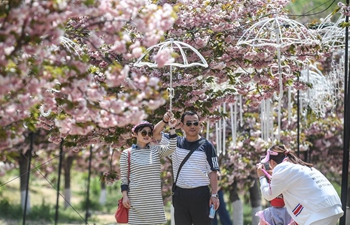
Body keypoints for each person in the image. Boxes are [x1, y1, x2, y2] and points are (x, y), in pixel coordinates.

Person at [154, 110, 220, 225]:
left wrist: (214, 194)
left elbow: (213, 172)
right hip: (180, 195)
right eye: (188, 123)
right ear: (182, 126)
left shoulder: (207, 145)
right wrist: (165, 120)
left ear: (200, 125)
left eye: (195, 123)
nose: (192, 126)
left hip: (201, 194)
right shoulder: (175, 142)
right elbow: (155, 134)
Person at [256, 144, 344, 225]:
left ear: (272, 162)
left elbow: (268, 195)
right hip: (333, 207)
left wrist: (262, 177)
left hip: (319, 213)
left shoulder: (281, 168)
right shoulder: (300, 167)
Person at [119, 119, 177, 225]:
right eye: (143, 132)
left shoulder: (156, 150)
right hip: (135, 200)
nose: (147, 135)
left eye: (150, 133)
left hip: (153, 201)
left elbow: (172, 147)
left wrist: (172, 128)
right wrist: (125, 196)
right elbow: (124, 178)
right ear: (135, 134)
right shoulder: (126, 154)